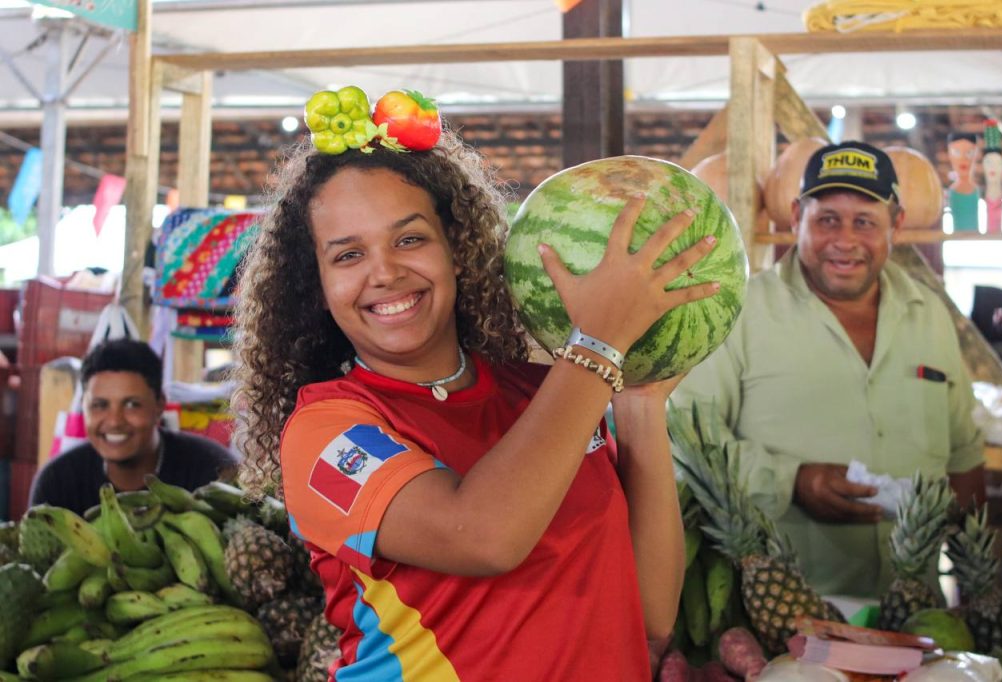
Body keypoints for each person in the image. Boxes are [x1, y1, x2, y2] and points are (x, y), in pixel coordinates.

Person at [231, 97, 718, 679]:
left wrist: (639, 403)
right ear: (319, 286)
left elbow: (649, 618)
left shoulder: (550, 393)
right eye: (349, 255)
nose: (384, 272)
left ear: (457, 250)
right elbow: (484, 537)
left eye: (410, 239)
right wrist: (597, 347)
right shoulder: (324, 433)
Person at [671, 141, 986, 599]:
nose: (845, 240)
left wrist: (976, 594)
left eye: (864, 221)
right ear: (796, 217)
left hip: (916, 609)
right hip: (780, 613)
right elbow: (684, 441)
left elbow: (964, 454)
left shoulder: (929, 313)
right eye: (827, 220)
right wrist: (792, 480)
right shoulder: (738, 311)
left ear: (895, 224)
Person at [29, 338, 239, 516]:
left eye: (131, 405)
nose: (114, 421)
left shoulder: (213, 472)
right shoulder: (56, 482)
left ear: (159, 405)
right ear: (83, 407)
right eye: (100, 405)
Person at [946, 131, 981, 232]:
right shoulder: (952, 190)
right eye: (956, 152)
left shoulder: (976, 189)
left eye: (969, 153)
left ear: (976, 155)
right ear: (949, 155)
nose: (963, 158)